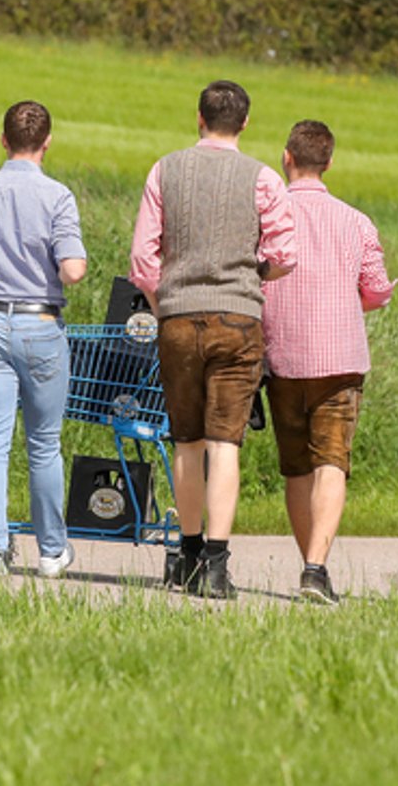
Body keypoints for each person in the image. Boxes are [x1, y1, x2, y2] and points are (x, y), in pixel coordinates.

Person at [129, 80, 297, 599]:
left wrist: (166, 305)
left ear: (198, 117)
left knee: (186, 441)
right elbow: (285, 255)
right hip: (239, 320)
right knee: (225, 443)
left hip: (179, 318)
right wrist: (250, 277)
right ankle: (218, 568)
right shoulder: (265, 178)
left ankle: (188, 551)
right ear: (245, 123)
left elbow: (143, 260)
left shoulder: (165, 168)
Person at [0, 100, 88, 579]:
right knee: (44, 444)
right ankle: (51, 552)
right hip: (39, 324)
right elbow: (72, 271)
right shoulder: (58, 196)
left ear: (3, 140)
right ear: (48, 142)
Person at [260, 120, 394, 606]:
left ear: (286, 158)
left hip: (282, 355)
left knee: (296, 467)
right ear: (329, 162)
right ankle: (315, 569)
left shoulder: (268, 219)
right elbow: (376, 291)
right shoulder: (356, 221)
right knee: (332, 462)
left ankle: (311, 566)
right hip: (339, 358)